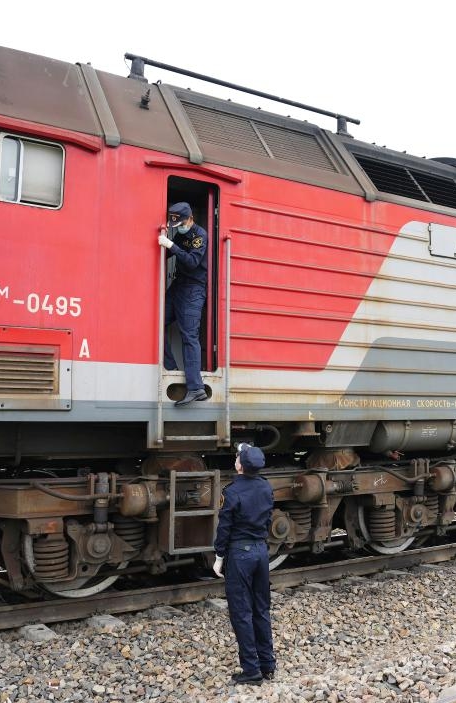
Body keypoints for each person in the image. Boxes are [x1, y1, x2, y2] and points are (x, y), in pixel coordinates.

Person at [213, 443, 277, 684]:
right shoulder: (265, 487)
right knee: (261, 609)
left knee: (242, 612)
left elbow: (225, 528)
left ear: (240, 465)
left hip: (240, 554)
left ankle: (251, 671)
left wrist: (219, 556)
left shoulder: (232, 492)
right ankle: (268, 665)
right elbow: (268, 518)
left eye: (238, 456)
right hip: (261, 552)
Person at [158, 201, 208, 407]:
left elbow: (192, 261)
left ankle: (196, 389)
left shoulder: (200, 236)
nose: (179, 228)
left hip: (193, 290)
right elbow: (171, 252)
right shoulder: (181, 231)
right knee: (157, 324)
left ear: (189, 219)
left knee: (189, 337)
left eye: (181, 224)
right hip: (179, 286)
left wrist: (171, 245)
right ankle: (170, 368)